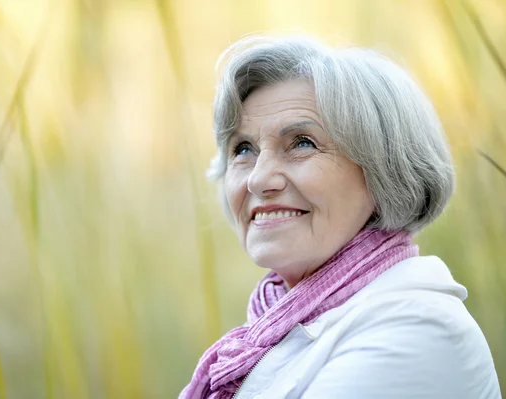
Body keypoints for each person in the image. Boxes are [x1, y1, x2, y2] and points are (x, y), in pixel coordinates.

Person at [180, 35, 501, 399]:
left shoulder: (415, 328)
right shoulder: (273, 331)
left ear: (384, 171)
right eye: (243, 149)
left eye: (302, 142)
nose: (257, 179)